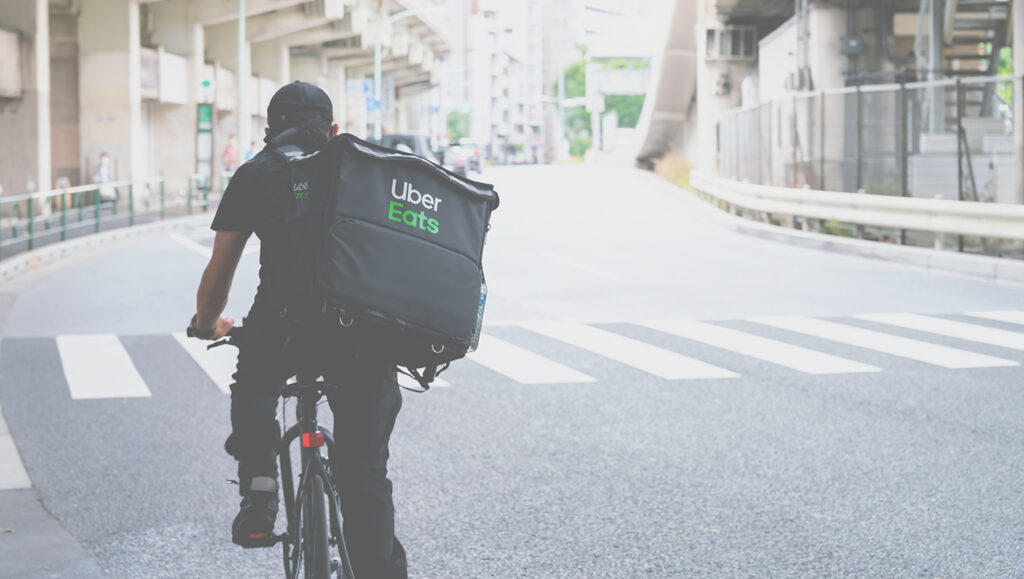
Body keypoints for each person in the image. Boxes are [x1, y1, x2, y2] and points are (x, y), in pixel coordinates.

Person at [187, 81, 407, 578]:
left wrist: (207, 325)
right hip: (361, 335)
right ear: (333, 130)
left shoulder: (255, 173)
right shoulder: (364, 170)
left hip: (282, 326)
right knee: (366, 476)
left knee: (253, 388)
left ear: (269, 130)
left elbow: (218, 276)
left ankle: (261, 493)